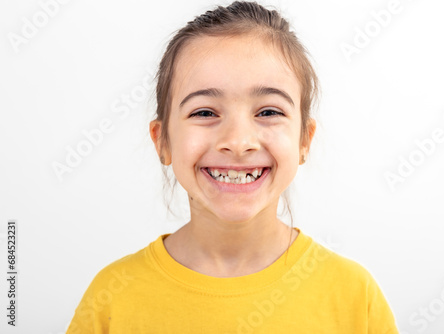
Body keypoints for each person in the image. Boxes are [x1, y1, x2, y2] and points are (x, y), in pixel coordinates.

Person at [67, 1, 399, 333]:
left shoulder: (356, 297)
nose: (238, 142)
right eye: (205, 112)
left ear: (304, 141)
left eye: (268, 112)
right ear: (162, 141)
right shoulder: (111, 298)